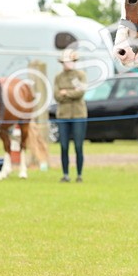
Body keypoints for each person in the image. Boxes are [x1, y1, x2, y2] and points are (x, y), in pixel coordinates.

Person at [53, 49, 87, 182]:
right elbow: (56, 95)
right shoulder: (58, 77)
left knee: (78, 146)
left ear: (74, 62)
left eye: (70, 61)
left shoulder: (80, 75)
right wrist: (71, 92)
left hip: (79, 115)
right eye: (65, 61)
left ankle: (79, 174)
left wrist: (65, 93)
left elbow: (80, 93)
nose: (67, 64)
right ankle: (65, 174)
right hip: (63, 115)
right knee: (64, 146)